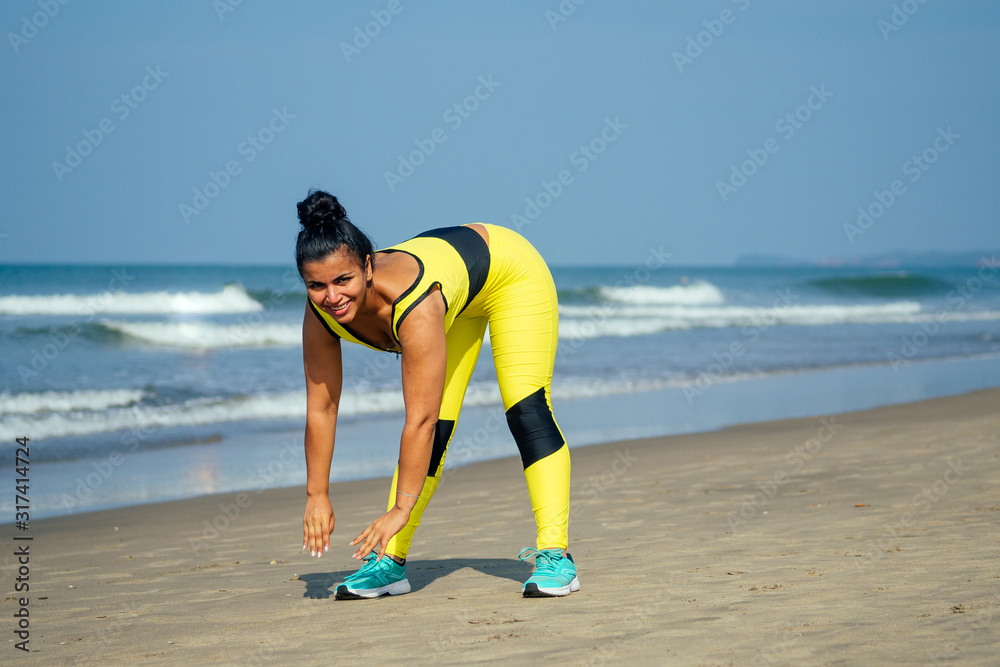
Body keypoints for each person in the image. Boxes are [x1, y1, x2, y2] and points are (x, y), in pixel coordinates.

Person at [297, 189, 579, 599]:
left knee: (526, 409)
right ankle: (389, 564)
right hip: (458, 291)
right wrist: (316, 494)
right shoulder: (321, 309)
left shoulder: (414, 305)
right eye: (316, 285)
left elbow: (419, 420)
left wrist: (399, 510)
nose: (332, 296)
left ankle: (556, 555)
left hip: (509, 273)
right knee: (440, 430)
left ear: (368, 267)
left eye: (344, 280)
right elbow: (322, 407)